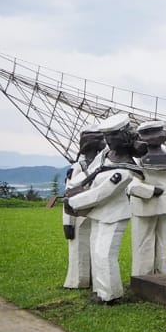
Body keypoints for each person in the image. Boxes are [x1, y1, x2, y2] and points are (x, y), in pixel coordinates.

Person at [64, 113, 142, 304]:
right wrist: (72, 187)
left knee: (104, 254)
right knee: (96, 251)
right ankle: (99, 290)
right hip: (99, 214)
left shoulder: (126, 170)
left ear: (124, 137)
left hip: (114, 215)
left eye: (113, 136)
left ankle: (110, 295)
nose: (108, 140)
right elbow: (89, 176)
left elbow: (101, 193)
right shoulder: (105, 155)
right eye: (107, 136)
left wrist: (73, 202)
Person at [127, 120, 166, 276]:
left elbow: (131, 185)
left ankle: (143, 276)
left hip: (144, 206)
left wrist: (149, 191)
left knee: (143, 242)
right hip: (165, 205)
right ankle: (163, 274)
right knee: (163, 243)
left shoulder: (136, 161)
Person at [62, 123, 107, 289]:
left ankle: (95, 279)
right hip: (77, 215)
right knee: (78, 249)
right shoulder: (77, 167)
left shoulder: (100, 164)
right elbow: (68, 195)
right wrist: (67, 223)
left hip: (94, 212)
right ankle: (78, 280)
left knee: (96, 249)